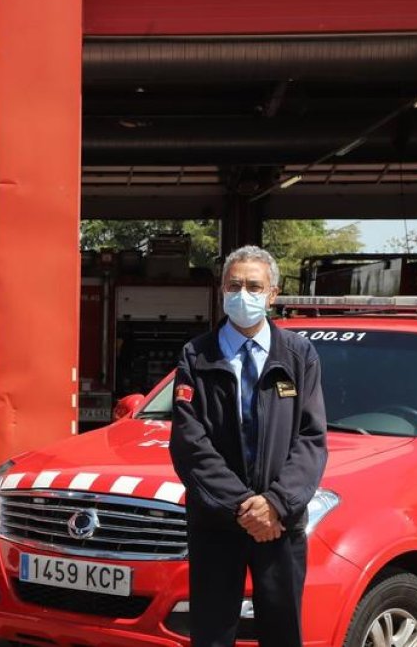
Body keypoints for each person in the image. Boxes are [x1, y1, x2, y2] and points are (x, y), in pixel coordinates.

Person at [169, 245, 328, 647]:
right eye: (235, 285)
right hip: (217, 523)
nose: (244, 294)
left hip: (280, 524)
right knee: (212, 633)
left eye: (254, 286)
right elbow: (190, 442)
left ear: (272, 294)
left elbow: (311, 439)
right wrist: (242, 506)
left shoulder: (298, 356)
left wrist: (275, 503)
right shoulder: (196, 355)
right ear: (222, 289)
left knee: (281, 632)